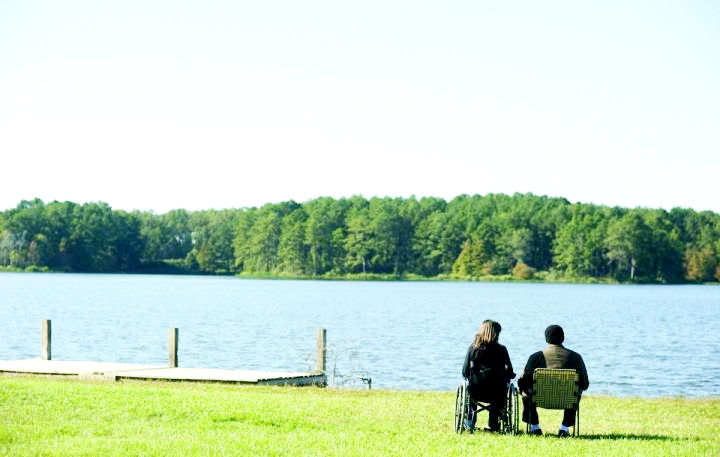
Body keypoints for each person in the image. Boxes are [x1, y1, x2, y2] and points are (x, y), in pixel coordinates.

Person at [518, 324, 589, 437]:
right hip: (567, 400)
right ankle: (564, 429)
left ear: (546, 338)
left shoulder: (536, 357)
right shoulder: (576, 357)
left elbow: (522, 381)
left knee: (525, 391)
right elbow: (585, 384)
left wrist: (523, 388)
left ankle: (535, 427)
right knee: (577, 391)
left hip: (539, 399)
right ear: (563, 338)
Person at [461, 320, 515, 433]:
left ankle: (470, 421)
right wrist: (509, 375)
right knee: (500, 391)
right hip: (497, 392)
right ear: (496, 334)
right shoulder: (502, 350)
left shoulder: (472, 349)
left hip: (476, 391)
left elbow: (465, 371)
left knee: (471, 390)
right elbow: (510, 371)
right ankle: (494, 424)